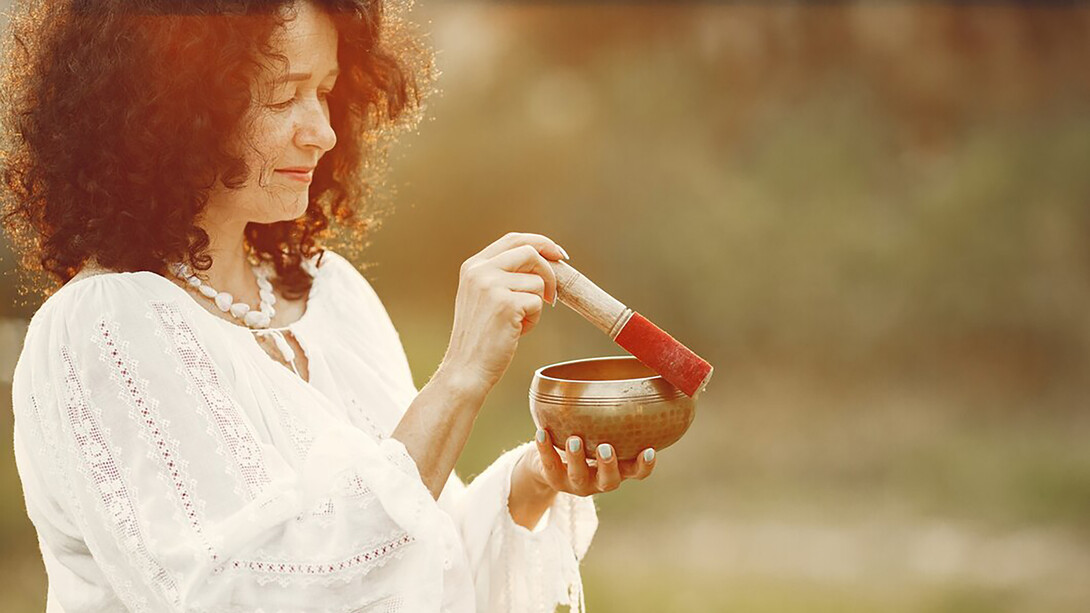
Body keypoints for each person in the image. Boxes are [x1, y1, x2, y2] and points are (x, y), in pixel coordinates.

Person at [0, 1, 659, 611]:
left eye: (325, 91)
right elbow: (249, 591)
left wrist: (534, 480)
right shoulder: (101, 328)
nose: (321, 131)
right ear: (171, 109)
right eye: (284, 95)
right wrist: (458, 378)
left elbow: (419, 558)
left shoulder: (330, 291)